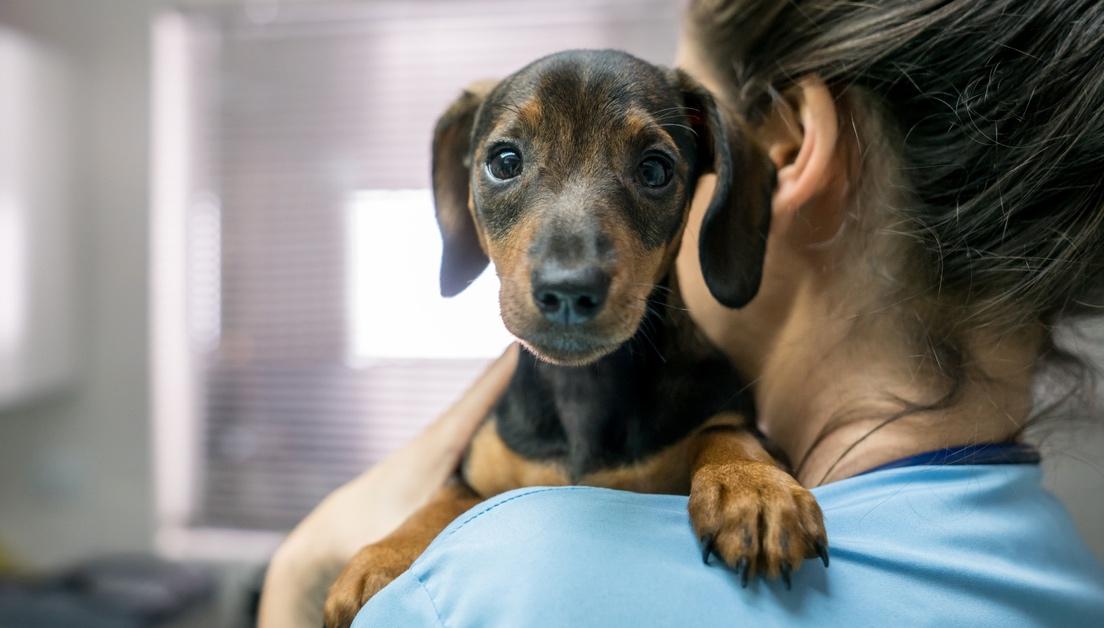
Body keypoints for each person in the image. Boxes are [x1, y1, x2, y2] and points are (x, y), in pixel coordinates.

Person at [260, 0, 1104, 625]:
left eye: (657, 171)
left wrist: (300, 570)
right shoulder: (1074, 578)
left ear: (778, 153)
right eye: (509, 162)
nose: (568, 270)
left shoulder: (489, 588)